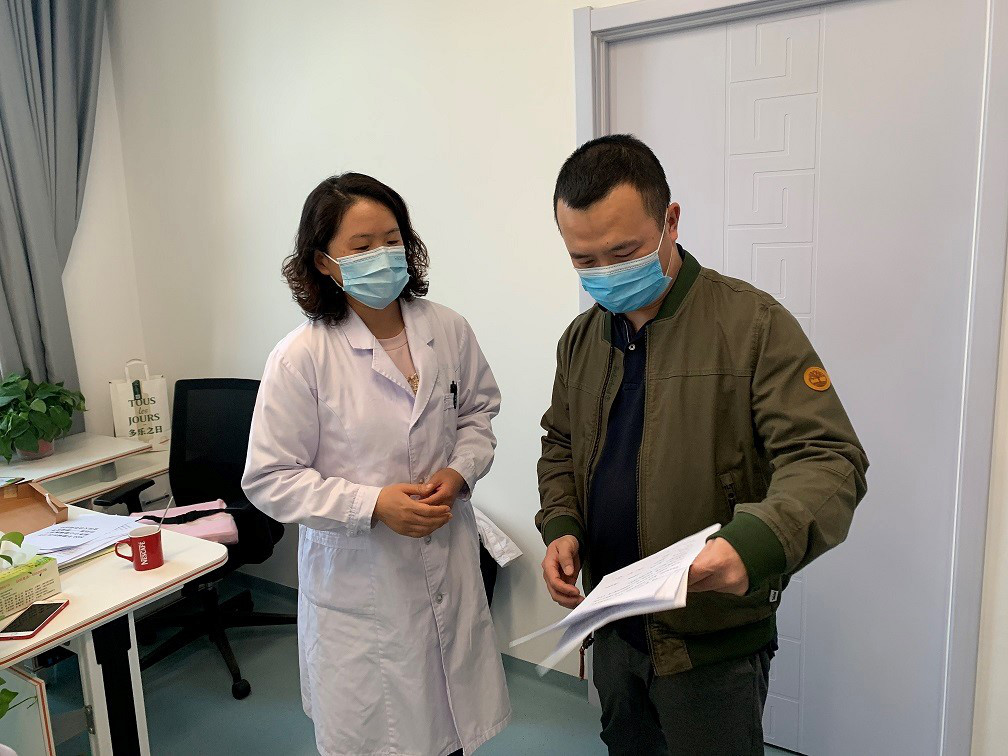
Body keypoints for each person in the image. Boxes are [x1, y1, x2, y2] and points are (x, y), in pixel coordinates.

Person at [535, 135, 868, 755]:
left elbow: (829, 459)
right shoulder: (581, 340)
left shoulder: (751, 325)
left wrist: (752, 543)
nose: (605, 273)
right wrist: (562, 524)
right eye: (584, 260)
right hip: (613, 630)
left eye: (623, 252)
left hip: (711, 645)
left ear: (671, 221)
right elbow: (560, 442)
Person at [242, 173, 510, 756]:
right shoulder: (301, 357)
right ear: (324, 262)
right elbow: (269, 478)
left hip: (447, 552)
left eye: (392, 240)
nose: (383, 256)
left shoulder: (447, 329)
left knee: (450, 732)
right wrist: (371, 505)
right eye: (362, 246)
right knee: (379, 738)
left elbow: (478, 413)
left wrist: (460, 471)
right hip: (361, 586)